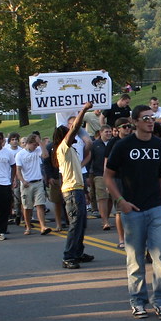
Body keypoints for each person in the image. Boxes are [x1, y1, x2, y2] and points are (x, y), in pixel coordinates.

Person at [105, 104, 161, 319]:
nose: (150, 121)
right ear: (134, 121)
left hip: (156, 208)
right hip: (132, 209)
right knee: (135, 259)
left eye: (152, 118)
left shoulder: (160, 147)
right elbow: (108, 176)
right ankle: (138, 301)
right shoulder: (123, 146)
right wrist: (121, 201)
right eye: (145, 118)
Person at [54, 103, 94, 269]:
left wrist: (84, 190)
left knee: (81, 224)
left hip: (77, 189)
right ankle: (68, 256)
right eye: (69, 132)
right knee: (75, 224)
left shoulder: (72, 151)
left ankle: (77, 252)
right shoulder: (63, 148)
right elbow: (75, 128)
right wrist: (83, 110)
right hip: (71, 191)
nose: (75, 135)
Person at [16, 134, 51, 236]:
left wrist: (40, 142)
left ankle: (43, 226)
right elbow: (18, 170)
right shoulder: (20, 154)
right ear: (28, 143)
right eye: (34, 145)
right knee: (27, 207)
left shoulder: (37, 150)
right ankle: (28, 226)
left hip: (38, 182)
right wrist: (22, 180)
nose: (35, 147)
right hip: (27, 183)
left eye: (36, 145)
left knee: (40, 204)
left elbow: (46, 155)